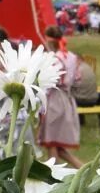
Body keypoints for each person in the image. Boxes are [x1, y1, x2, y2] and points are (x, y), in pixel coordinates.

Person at [34, 26, 83, 166]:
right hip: (67, 98)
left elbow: (49, 82)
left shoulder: (54, 59)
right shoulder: (72, 57)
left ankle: (53, 174)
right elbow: (78, 79)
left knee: (51, 141)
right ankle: (82, 168)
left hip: (54, 99)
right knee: (55, 143)